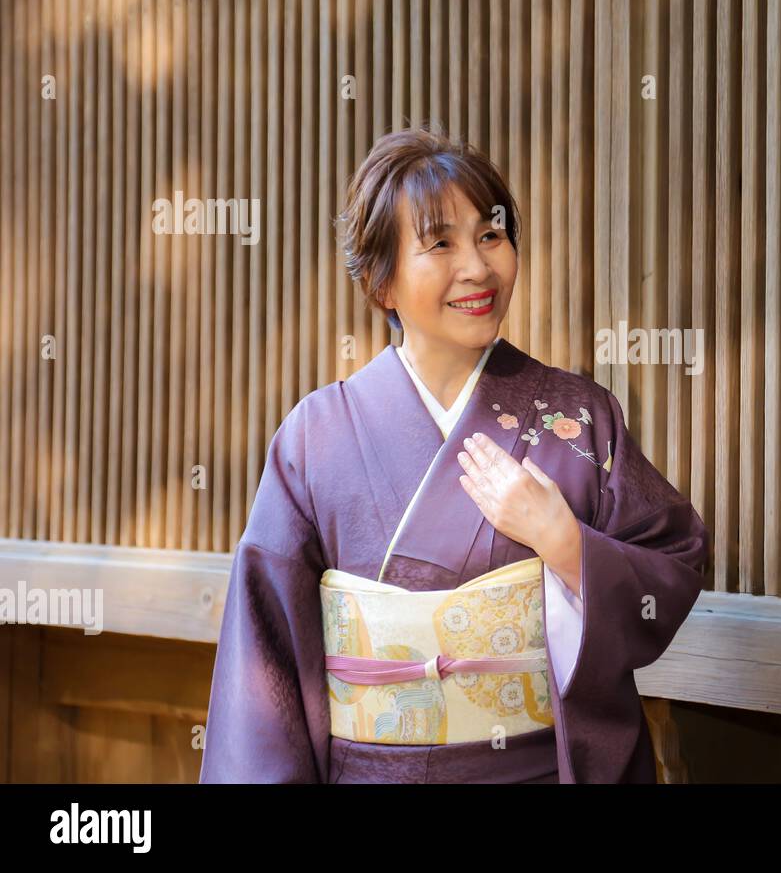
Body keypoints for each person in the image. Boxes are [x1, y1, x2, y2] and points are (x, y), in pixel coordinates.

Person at [199, 127, 710, 783]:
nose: (477, 267)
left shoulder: (578, 419)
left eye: (491, 235)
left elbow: (675, 563)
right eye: (440, 243)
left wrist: (568, 547)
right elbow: (263, 659)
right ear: (381, 281)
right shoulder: (314, 438)